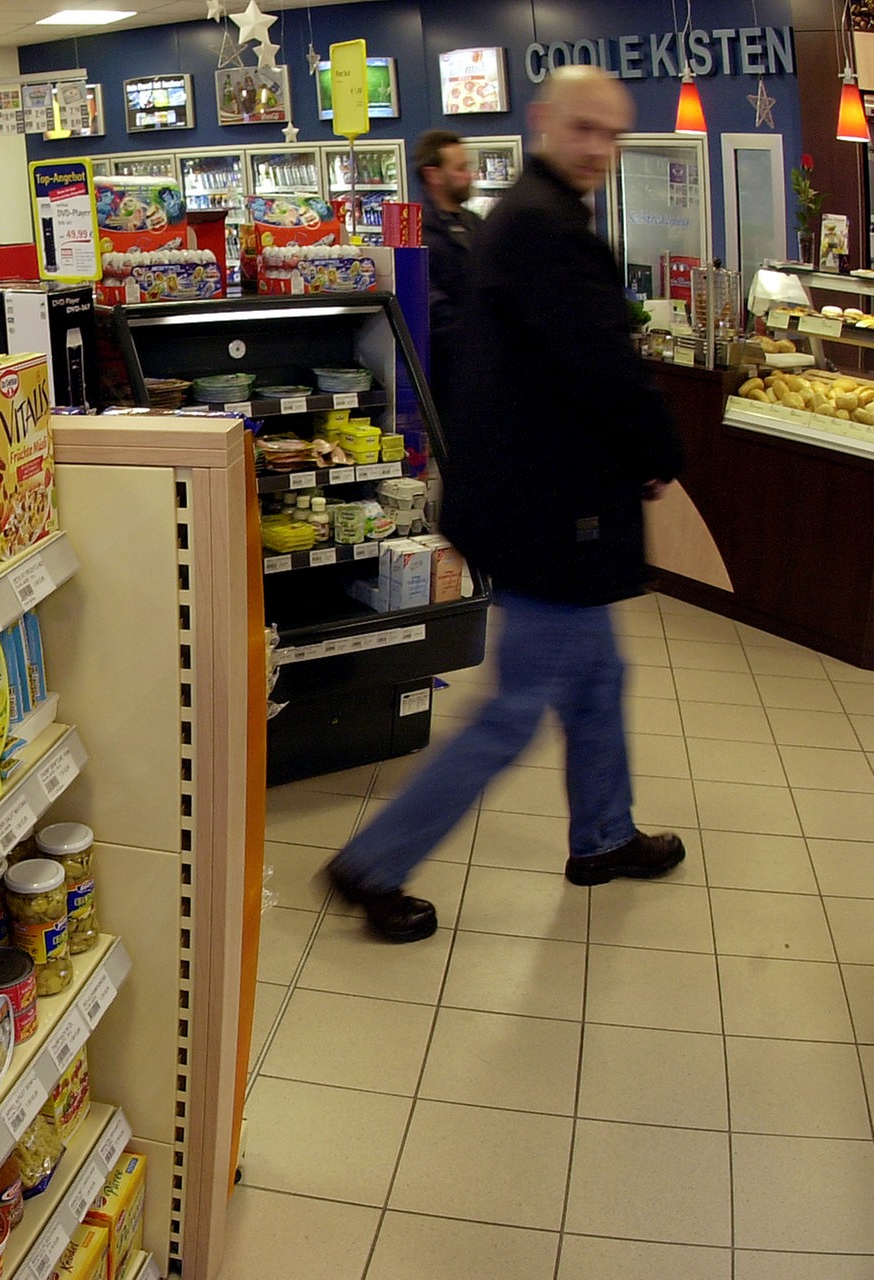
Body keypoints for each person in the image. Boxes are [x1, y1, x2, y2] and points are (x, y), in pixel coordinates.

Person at [326, 65, 686, 944]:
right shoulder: (545, 230)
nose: (601, 149)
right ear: (543, 123)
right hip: (549, 516)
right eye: (586, 130)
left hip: (534, 501)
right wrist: (657, 454)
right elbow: (602, 367)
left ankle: (603, 835)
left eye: (613, 135)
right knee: (514, 710)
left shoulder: (523, 216)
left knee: (600, 679)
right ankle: (373, 865)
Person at [414, 129, 482, 346]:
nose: (469, 175)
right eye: (460, 169)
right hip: (447, 360)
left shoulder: (475, 223)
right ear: (433, 175)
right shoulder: (417, 235)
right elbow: (432, 307)